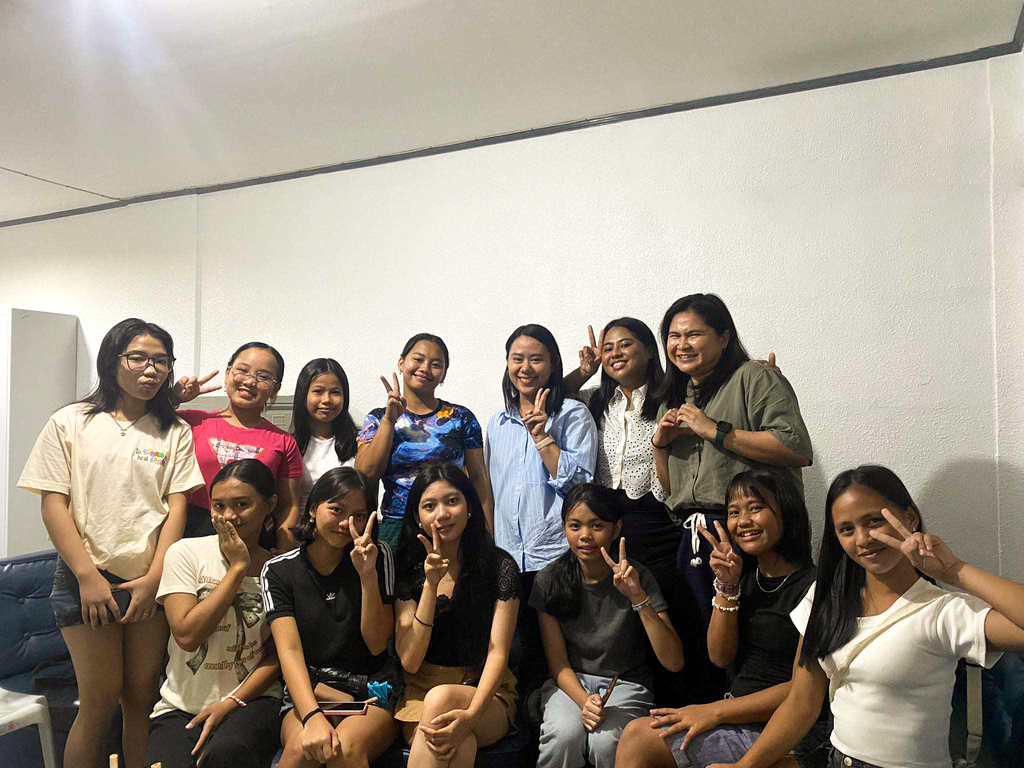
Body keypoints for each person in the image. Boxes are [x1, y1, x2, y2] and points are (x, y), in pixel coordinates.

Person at [710, 465, 1024, 768]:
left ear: (910, 517)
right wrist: (746, 765)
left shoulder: (944, 611)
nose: (862, 539)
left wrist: (955, 571)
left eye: (874, 521)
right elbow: (800, 703)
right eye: (847, 529)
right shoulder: (826, 599)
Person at [18, 318, 204, 768]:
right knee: (98, 701)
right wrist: (87, 577)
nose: (151, 369)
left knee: (141, 698)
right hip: (87, 578)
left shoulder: (173, 430)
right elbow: (53, 504)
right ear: (112, 361)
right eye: (138, 358)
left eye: (161, 361)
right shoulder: (72, 420)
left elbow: (176, 508)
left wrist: (157, 577)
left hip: (150, 580)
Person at [615, 470, 827, 768]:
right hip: (736, 714)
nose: (742, 521)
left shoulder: (815, 587)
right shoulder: (747, 579)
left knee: (639, 738)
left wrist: (714, 712)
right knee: (639, 733)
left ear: (787, 512)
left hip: (785, 726)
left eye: (755, 508)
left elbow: (806, 689)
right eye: (734, 512)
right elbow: (720, 656)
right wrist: (727, 587)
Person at [651, 294, 812, 637]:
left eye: (694, 334)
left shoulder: (754, 377)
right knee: (703, 649)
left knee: (757, 640)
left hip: (749, 533)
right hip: (694, 538)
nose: (682, 345)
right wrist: (660, 446)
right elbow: (672, 491)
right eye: (674, 336)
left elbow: (795, 447)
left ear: (723, 338)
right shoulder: (677, 398)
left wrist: (715, 431)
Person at [564, 318, 687, 704]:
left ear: (650, 350)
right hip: (610, 526)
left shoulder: (672, 396)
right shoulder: (598, 400)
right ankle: (629, 705)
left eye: (625, 345)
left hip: (658, 523)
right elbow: (554, 396)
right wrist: (582, 372)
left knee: (661, 614)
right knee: (619, 622)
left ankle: (672, 709)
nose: (614, 353)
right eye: (608, 347)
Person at [531, 483, 683, 768]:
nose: (585, 536)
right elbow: (558, 663)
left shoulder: (639, 577)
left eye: (597, 525)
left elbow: (674, 661)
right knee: (562, 736)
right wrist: (583, 700)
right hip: (570, 683)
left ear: (616, 529)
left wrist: (637, 598)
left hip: (625, 683)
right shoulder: (549, 580)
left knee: (607, 742)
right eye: (574, 526)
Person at [486, 323, 599, 700]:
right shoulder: (497, 422)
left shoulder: (572, 415)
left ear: (552, 364)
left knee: (557, 659)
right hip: (505, 558)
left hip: (553, 554)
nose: (526, 367)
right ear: (506, 363)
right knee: (512, 655)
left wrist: (542, 438)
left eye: (537, 359)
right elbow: (492, 490)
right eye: (517, 358)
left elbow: (581, 487)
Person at [147, 459, 283, 768]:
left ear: (269, 505)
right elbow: (186, 635)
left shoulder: (279, 568)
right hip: (181, 705)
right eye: (219, 506)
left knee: (225, 756)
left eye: (242, 504)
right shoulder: (186, 553)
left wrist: (231, 703)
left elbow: (278, 655)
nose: (229, 516)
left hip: (252, 701)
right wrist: (237, 569)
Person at [262, 467, 400, 768]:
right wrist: (312, 716)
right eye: (336, 509)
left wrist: (367, 576)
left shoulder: (379, 557)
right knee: (301, 749)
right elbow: (289, 651)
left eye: (359, 515)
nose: (346, 523)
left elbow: (378, 645)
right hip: (310, 690)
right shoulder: (278, 571)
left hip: (370, 689)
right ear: (313, 509)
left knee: (345, 749)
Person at [393, 462, 521, 768]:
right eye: (429, 506)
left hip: (486, 694)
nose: (442, 514)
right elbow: (410, 660)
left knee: (445, 706)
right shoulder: (408, 570)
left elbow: (498, 653)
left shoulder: (499, 567)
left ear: (470, 508)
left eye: (452, 501)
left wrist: (471, 715)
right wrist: (430, 585)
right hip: (420, 692)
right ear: (417, 518)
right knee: (460, 740)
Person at [356, 333, 492, 550]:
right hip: (397, 526)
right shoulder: (378, 418)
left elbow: (479, 478)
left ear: (444, 374)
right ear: (402, 363)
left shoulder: (461, 417)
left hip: (450, 524)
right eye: (418, 359)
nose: (425, 368)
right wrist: (390, 420)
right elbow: (365, 474)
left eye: (436, 364)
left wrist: (487, 534)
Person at [174, 342, 303, 550]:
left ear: (275, 389)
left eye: (263, 377)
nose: (250, 381)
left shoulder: (284, 442)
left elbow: (288, 507)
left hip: (253, 543)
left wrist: (283, 556)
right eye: (242, 370)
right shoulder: (191, 421)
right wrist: (173, 399)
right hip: (191, 537)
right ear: (227, 373)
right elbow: (142, 421)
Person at [290, 358, 358, 513]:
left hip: (347, 530)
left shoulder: (359, 442)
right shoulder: (290, 444)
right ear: (303, 394)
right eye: (318, 391)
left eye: (335, 392)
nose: (327, 400)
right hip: (303, 532)